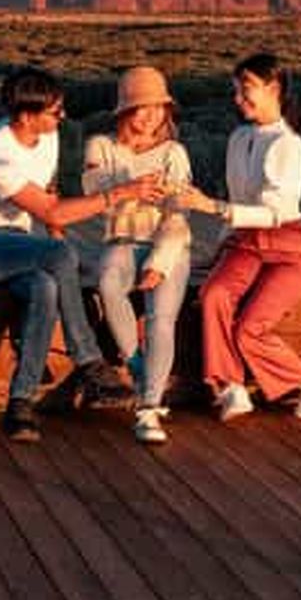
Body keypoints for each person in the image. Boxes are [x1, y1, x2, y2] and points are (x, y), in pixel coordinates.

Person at [0, 67, 164, 442]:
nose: (61, 117)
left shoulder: (46, 137)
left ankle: (20, 404)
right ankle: (89, 361)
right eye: (54, 112)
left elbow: (48, 201)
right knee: (60, 258)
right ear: (27, 116)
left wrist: (60, 247)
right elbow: (52, 211)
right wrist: (121, 193)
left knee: (46, 287)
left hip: (22, 244)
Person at [176, 52, 301, 422]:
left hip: (287, 248)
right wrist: (217, 250)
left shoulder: (289, 145)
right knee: (213, 294)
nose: (237, 98)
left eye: (245, 89)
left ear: (273, 89)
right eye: (235, 90)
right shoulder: (239, 138)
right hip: (244, 242)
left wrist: (211, 207)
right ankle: (230, 388)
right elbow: (238, 202)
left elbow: (276, 212)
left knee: (250, 329)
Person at [82, 66, 191, 444]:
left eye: (159, 107)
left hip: (168, 243)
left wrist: (160, 264)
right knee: (109, 283)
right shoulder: (101, 147)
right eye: (142, 107)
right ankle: (142, 371)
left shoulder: (174, 153)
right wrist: (130, 188)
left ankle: (148, 409)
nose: (151, 115)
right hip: (122, 240)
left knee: (161, 318)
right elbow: (95, 193)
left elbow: (178, 215)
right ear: (124, 110)